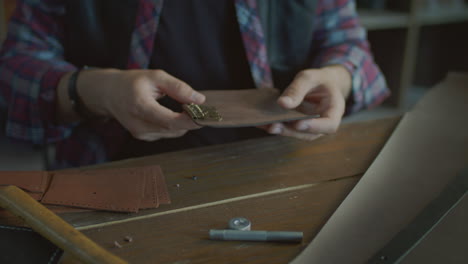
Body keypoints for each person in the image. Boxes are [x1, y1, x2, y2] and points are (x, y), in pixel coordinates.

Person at [0, 0, 390, 169]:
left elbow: (347, 43)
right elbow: (15, 68)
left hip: (276, 163)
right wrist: (93, 90)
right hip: (111, 171)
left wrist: (339, 78)